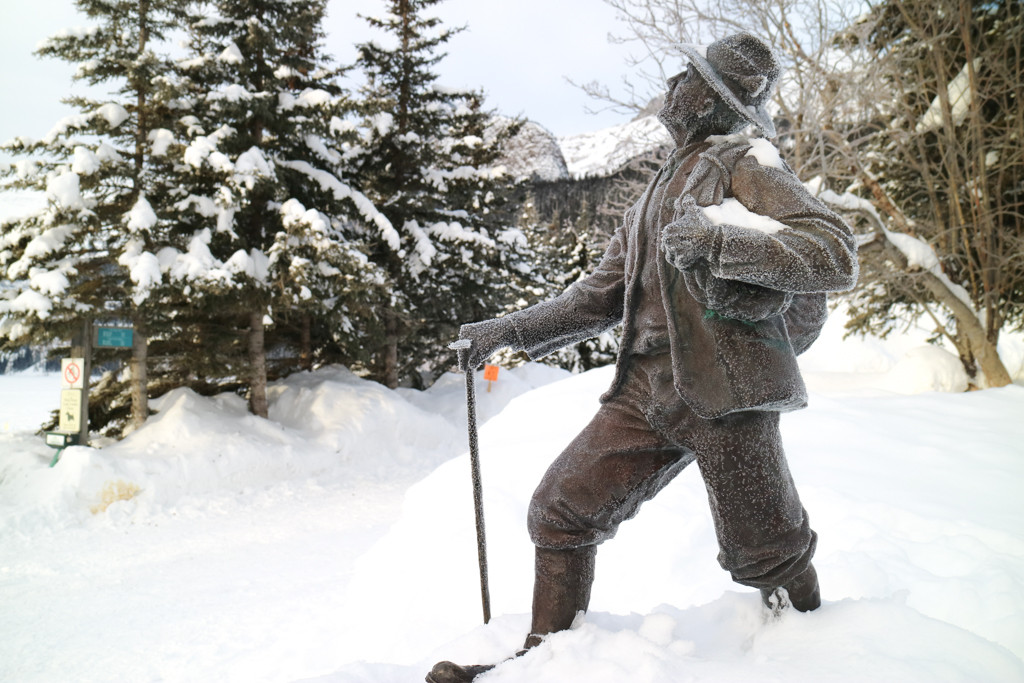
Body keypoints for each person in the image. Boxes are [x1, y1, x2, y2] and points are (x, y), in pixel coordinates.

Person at [426, 32, 858, 683]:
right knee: (560, 508)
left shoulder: (745, 164)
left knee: (766, 551)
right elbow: (594, 298)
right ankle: (544, 659)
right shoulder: (655, 190)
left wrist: (722, 243)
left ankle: (824, 658)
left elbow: (834, 250)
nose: (673, 84)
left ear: (709, 98)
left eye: (688, 76)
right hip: (646, 390)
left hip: (725, 389)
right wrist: (506, 329)